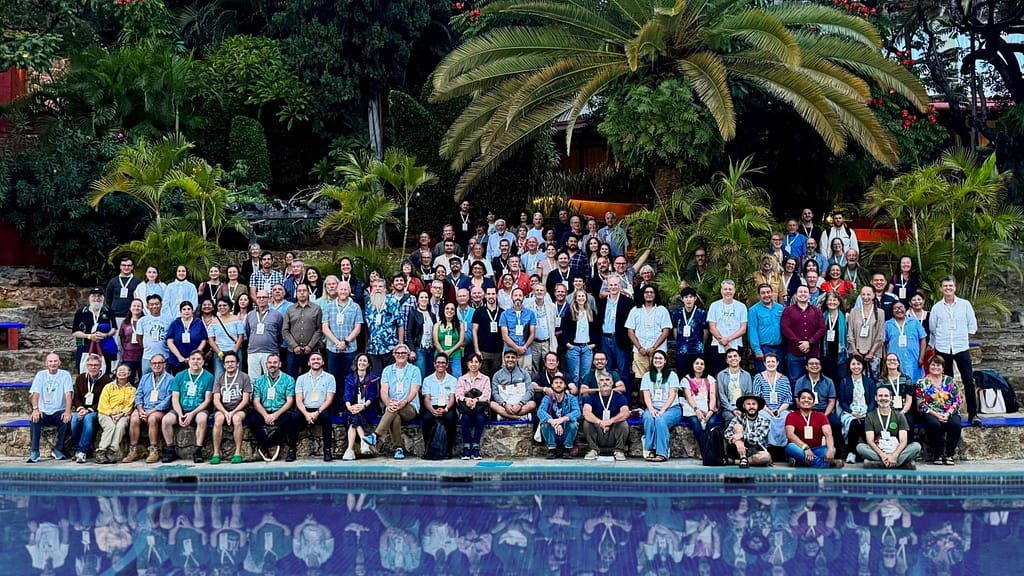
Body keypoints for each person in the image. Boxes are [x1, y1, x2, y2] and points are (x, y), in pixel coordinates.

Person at [929, 275, 980, 426]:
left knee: (968, 380)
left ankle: (973, 413)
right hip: (943, 347)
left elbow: (973, 326)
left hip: (961, 347)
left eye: (950, 286)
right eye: (945, 286)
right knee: (946, 382)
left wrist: (962, 335)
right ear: (941, 289)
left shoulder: (965, 305)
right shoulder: (936, 308)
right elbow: (933, 328)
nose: (948, 289)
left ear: (955, 288)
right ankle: (949, 411)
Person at [366, 344, 422, 459]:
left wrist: (403, 402)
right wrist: (388, 403)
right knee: (395, 417)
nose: (400, 355)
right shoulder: (387, 370)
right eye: (398, 353)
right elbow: (384, 391)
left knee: (394, 410)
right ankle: (398, 449)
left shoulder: (414, 370)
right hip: (392, 405)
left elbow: (414, 390)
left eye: (403, 353)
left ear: (407, 355)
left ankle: (375, 435)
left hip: (409, 406)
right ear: (394, 355)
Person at [159, 350, 213, 463]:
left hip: (199, 409)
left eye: (199, 359)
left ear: (203, 362)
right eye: (193, 359)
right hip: (180, 408)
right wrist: (180, 414)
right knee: (166, 420)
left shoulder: (209, 377)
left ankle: (198, 450)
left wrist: (192, 414)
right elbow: (175, 397)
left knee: (202, 419)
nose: (195, 361)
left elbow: (207, 400)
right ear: (188, 361)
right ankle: (170, 449)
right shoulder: (180, 375)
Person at [247, 353, 300, 462]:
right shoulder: (259, 381)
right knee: (253, 420)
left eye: (275, 362)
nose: (272, 365)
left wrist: (275, 415)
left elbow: (290, 401)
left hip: (280, 411)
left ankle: (267, 445)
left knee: (290, 419)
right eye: (270, 363)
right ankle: (270, 445)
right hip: (264, 411)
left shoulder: (289, 380)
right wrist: (266, 415)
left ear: (280, 364)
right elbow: (256, 401)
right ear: (266, 365)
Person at [123, 355, 174, 464]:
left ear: (165, 364)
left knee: (152, 419)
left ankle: (154, 450)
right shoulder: (145, 377)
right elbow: (138, 394)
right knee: (134, 417)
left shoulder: (170, 379)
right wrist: (140, 408)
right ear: (150, 365)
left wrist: (152, 411)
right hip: (144, 407)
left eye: (160, 363)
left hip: (159, 409)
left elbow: (168, 398)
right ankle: (133, 450)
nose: (157, 365)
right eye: (154, 363)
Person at [857, 385, 922, 469]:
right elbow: (870, 441)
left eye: (886, 396)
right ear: (876, 398)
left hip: (896, 450)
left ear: (891, 398)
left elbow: (903, 441)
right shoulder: (870, 416)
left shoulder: (899, 416)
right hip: (879, 450)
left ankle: (883, 463)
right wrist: (883, 455)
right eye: (880, 396)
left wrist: (894, 455)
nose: (883, 398)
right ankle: (898, 463)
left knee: (916, 446)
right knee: (860, 447)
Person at [27, 353, 74, 463]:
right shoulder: (40, 375)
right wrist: (35, 409)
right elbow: (35, 394)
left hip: (58, 411)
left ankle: (58, 449)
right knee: (34, 419)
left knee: (67, 419)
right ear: (46, 363)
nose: (53, 363)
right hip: (43, 411)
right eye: (50, 361)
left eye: (55, 361)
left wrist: (68, 411)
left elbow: (68, 395)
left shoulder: (65, 375)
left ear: (59, 363)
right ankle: (35, 451)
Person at [916, 354, 962, 465]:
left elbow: (957, 400)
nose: (935, 367)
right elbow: (920, 404)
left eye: (938, 365)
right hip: (931, 412)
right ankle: (938, 454)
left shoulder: (949, 381)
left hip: (949, 412)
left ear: (942, 367)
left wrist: (948, 414)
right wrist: (937, 415)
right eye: (933, 365)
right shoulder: (922, 382)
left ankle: (950, 455)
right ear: (929, 366)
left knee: (955, 424)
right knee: (933, 425)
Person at [322, 280, 363, 400]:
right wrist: (337, 342)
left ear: (350, 291)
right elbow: (325, 328)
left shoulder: (355, 307)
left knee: (349, 377)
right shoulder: (329, 307)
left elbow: (358, 328)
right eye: (341, 289)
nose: (343, 292)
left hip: (350, 349)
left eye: (346, 289)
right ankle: (334, 404)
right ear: (337, 291)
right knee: (333, 377)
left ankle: (348, 402)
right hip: (332, 348)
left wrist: (345, 342)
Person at [210, 350, 253, 464]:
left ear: (237, 363)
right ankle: (216, 453)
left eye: (232, 362)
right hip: (222, 408)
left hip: (240, 407)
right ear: (223, 365)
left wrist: (233, 412)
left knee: (237, 419)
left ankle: (238, 452)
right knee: (218, 419)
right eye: (227, 362)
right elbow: (216, 399)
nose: (230, 364)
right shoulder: (219, 378)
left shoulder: (244, 377)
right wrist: (225, 412)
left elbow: (245, 400)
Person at [793, 357, 841, 458]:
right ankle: (798, 452)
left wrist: (824, 416)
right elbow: (798, 400)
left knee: (836, 423)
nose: (814, 365)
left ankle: (836, 453)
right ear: (806, 367)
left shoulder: (828, 382)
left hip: (824, 411)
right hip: (805, 411)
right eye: (811, 364)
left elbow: (832, 401)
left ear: (821, 366)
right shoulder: (800, 381)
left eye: (817, 363)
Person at [294, 352, 337, 461]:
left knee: (326, 418)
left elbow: (329, 399)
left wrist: (317, 412)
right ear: (309, 363)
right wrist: (306, 414)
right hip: (305, 409)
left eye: (318, 359)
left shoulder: (330, 378)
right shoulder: (301, 378)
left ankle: (327, 450)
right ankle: (291, 450)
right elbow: (299, 400)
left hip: (322, 408)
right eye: (313, 359)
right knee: (294, 418)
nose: (316, 361)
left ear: (322, 362)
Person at [640, 350, 682, 462]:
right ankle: (650, 449)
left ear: (665, 361)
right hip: (653, 407)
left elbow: (672, 395)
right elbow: (647, 396)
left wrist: (663, 410)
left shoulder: (672, 375)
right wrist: (651, 409)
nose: (658, 360)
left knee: (660, 420)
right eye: (655, 358)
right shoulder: (647, 376)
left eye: (660, 358)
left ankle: (662, 452)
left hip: (671, 408)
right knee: (648, 417)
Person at [69, 354, 112, 463]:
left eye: (96, 365)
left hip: (97, 410)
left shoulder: (107, 380)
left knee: (88, 419)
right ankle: (80, 448)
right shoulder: (80, 378)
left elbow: (104, 400)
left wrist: (89, 410)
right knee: (75, 419)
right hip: (82, 408)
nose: (93, 367)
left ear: (100, 366)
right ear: (87, 366)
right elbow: (77, 397)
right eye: (91, 365)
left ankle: (82, 451)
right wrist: (80, 408)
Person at [625, 284, 672, 381]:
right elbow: (630, 331)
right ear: (642, 294)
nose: (649, 294)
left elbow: (666, 331)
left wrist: (654, 347)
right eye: (646, 292)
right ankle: (642, 397)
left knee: (658, 378)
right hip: (640, 351)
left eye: (652, 292)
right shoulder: (635, 310)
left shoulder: (662, 310)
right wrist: (639, 347)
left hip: (659, 351)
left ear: (655, 295)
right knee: (641, 379)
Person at [785, 389, 842, 468]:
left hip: (816, 450)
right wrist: (805, 448)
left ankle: (801, 462)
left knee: (832, 450)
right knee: (790, 447)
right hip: (799, 448)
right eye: (803, 398)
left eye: (810, 398)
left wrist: (830, 449)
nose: (806, 400)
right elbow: (790, 435)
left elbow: (828, 434)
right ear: (798, 401)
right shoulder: (791, 416)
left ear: (813, 403)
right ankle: (828, 464)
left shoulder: (821, 416)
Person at [781, 285, 826, 383]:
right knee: (794, 380)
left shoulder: (817, 311)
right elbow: (785, 328)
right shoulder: (788, 311)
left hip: (812, 353)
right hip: (794, 353)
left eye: (805, 292)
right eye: (800, 292)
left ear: (809, 295)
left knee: (813, 380)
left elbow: (822, 329)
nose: (803, 294)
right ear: (796, 295)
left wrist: (809, 342)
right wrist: (799, 343)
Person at [837, 355, 877, 463]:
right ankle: (851, 453)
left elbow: (873, 401)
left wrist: (867, 413)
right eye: (853, 364)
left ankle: (870, 451)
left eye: (858, 364)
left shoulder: (869, 382)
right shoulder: (844, 381)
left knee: (865, 423)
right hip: (850, 411)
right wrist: (852, 412)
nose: (856, 367)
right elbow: (842, 401)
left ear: (862, 366)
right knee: (854, 423)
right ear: (849, 366)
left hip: (866, 411)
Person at [581, 373, 630, 460]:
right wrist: (600, 422)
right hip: (599, 431)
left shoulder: (620, 397)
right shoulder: (591, 397)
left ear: (612, 383)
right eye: (602, 380)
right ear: (598, 384)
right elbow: (586, 413)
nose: (605, 382)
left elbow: (625, 412)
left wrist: (611, 421)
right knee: (587, 423)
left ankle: (619, 450)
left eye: (607, 380)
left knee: (623, 423)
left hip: (612, 432)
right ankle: (593, 450)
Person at [94, 364, 136, 463]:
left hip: (123, 415)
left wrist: (120, 415)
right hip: (106, 413)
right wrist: (112, 414)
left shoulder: (132, 390)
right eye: (120, 370)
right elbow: (103, 403)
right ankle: (101, 451)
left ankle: (111, 451)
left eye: (125, 370)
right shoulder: (108, 387)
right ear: (116, 373)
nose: (122, 372)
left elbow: (129, 405)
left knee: (121, 425)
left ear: (129, 373)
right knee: (110, 426)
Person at [598, 276, 634, 390]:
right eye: (611, 285)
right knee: (606, 371)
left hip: (620, 339)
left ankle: (625, 402)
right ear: (607, 286)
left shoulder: (627, 302)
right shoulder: (602, 302)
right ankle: (609, 399)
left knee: (623, 371)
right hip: (605, 338)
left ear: (620, 286)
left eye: (615, 285)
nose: (613, 287)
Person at [341, 353, 379, 461]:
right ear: (356, 363)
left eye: (364, 361)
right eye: (360, 360)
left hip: (368, 409)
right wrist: (349, 406)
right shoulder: (349, 378)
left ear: (368, 364)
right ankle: (364, 441)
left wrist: (363, 406)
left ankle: (349, 450)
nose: (362, 363)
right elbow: (347, 395)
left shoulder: (373, 378)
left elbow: (373, 396)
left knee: (354, 417)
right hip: (351, 408)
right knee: (353, 414)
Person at [421, 353, 459, 459]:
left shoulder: (453, 380)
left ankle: (448, 450)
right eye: (438, 362)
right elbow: (426, 399)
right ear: (434, 364)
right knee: (427, 419)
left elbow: (452, 398)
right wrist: (433, 411)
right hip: (432, 406)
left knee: (450, 418)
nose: (440, 365)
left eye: (443, 363)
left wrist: (445, 409)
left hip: (447, 406)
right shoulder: (427, 380)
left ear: (447, 365)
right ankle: (427, 448)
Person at [71, 287, 117, 372]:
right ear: (89, 298)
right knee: (83, 371)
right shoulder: (81, 312)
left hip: (104, 345)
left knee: (104, 371)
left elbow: (114, 328)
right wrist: (89, 336)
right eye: (93, 296)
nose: (96, 299)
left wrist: (105, 335)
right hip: (85, 346)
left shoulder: (109, 311)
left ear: (103, 298)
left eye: (99, 296)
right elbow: (75, 332)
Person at [562, 289, 600, 391]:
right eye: (579, 296)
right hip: (573, 348)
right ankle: (574, 400)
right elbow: (564, 329)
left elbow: (596, 330)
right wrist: (568, 344)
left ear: (586, 298)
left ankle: (583, 400)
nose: (581, 298)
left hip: (587, 347)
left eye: (583, 296)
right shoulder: (570, 312)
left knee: (585, 376)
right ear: (575, 298)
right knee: (574, 376)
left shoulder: (591, 312)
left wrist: (593, 344)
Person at [707, 280, 748, 375]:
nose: (727, 291)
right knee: (718, 373)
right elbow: (712, 327)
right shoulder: (714, 306)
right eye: (725, 289)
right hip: (718, 345)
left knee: (735, 373)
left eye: (730, 289)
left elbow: (743, 329)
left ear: (734, 291)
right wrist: (724, 343)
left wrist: (728, 340)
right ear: (721, 291)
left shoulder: (741, 307)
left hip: (736, 345)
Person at [681, 357, 722, 451]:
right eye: (697, 363)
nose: (699, 366)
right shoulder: (686, 379)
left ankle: (707, 449)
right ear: (692, 365)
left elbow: (712, 396)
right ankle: (704, 450)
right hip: (692, 408)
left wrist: (711, 411)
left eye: (702, 364)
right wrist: (697, 410)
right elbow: (688, 397)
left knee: (711, 422)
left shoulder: (710, 379)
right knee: (695, 423)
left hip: (708, 408)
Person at [364, 278, 403, 375]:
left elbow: (400, 324)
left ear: (385, 289)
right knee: (375, 377)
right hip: (374, 348)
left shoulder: (393, 302)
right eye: (375, 286)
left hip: (390, 347)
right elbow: (366, 328)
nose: (377, 289)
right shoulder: (369, 304)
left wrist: (400, 344)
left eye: (380, 286)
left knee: (390, 376)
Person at [282, 284, 323, 377]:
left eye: (304, 290)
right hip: (293, 351)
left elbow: (319, 329)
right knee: (291, 376)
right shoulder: (290, 309)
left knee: (311, 376)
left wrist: (310, 346)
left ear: (308, 293)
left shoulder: (316, 309)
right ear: (296, 294)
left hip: (311, 350)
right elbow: (285, 330)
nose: (302, 293)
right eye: (299, 291)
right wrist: (294, 346)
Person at [456, 353, 490, 460]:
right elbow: (458, 394)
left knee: (480, 418)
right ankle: (466, 446)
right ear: (467, 364)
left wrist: (476, 400)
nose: (473, 364)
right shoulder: (462, 379)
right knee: (465, 418)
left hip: (480, 409)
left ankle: (475, 446)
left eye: (476, 362)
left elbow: (487, 394)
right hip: (466, 409)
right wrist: (466, 399)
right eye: (471, 362)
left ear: (480, 365)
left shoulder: (485, 379)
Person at [244, 289, 285, 379]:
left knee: (271, 377)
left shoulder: (277, 315)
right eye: (259, 297)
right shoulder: (250, 315)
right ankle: (256, 394)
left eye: (264, 297)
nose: (261, 299)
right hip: (253, 351)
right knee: (253, 379)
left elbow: (281, 333)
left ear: (269, 299)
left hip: (270, 351)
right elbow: (247, 332)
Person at [537, 374, 580, 459]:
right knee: (545, 423)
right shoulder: (547, 398)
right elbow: (540, 411)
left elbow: (577, 412)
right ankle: (552, 449)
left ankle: (567, 449)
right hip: (553, 432)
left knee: (573, 423)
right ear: (552, 385)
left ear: (565, 385)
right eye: (556, 382)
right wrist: (553, 421)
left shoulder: (571, 398)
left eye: (561, 382)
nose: (558, 384)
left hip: (566, 432)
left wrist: (562, 419)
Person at [885, 301, 928, 383]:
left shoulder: (914, 322)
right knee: (897, 383)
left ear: (905, 308)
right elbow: (883, 343)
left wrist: (921, 357)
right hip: (894, 361)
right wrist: (885, 359)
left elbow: (923, 339)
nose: (899, 310)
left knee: (914, 383)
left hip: (913, 359)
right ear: (892, 311)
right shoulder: (888, 325)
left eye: (901, 307)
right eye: (895, 308)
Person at [754, 353, 791, 448]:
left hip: (781, 409)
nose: (771, 364)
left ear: (777, 363)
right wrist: (769, 411)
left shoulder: (784, 379)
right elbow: (757, 398)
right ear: (764, 364)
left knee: (785, 417)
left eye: (773, 361)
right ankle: (769, 447)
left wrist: (779, 411)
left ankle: (782, 448)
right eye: (768, 361)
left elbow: (788, 399)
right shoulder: (758, 378)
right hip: (764, 409)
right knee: (766, 418)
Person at [847, 285, 885, 376]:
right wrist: (855, 351)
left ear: (873, 295)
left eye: (868, 294)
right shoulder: (854, 312)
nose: (865, 297)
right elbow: (850, 332)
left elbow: (880, 334)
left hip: (874, 352)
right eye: (863, 294)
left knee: (874, 379)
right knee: (858, 377)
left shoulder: (880, 312)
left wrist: (871, 352)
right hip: (857, 351)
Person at [725, 395, 772, 467]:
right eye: (748, 404)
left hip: (754, 450)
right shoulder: (738, 418)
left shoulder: (765, 421)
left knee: (766, 456)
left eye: (754, 404)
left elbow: (758, 437)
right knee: (738, 426)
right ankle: (742, 456)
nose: (751, 406)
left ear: (758, 406)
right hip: (737, 449)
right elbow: (727, 433)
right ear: (744, 406)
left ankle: (737, 461)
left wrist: (742, 436)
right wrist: (737, 441)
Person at [747, 283, 784, 373]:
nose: (766, 295)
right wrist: (757, 350)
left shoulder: (780, 308)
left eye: (768, 292)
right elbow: (752, 331)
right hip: (764, 349)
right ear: (759, 295)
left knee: (779, 376)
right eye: (763, 293)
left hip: (779, 348)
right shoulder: (753, 310)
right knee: (764, 376)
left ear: (772, 293)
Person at [165, 301, 208, 375]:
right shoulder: (175, 323)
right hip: (177, 360)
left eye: (189, 309)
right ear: (180, 312)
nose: (186, 311)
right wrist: (179, 357)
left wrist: (194, 356)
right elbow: (169, 341)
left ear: (192, 311)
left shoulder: (199, 323)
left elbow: (204, 340)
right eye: (184, 309)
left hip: (195, 361)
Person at [499, 288, 537, 372]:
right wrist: (516, 348)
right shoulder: (504, 314)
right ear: (512, 297)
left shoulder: (530, 314)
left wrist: (524, 347)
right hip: (509, 352)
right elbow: (505, 336)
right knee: (508, 377)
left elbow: (532, 334)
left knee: (526, 376)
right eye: (515, 295)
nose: (518, 297)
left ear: (523, 298)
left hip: (525, 351)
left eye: (520, 295)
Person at [524, 283, 557, 374]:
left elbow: (553, 323)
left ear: (545, 292)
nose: (539, 292)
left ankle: (546, 385)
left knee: (547, 366)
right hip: (534, 343)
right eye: (537, 290)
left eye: (541, 290)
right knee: (533, 367)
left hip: (546, 342)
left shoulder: (552, 307)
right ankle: (535, 386)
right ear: (534, 292)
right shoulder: (528, 307)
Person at [207, 297, 243, 380]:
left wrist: (234, 351)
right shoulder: (213, 321)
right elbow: (211, 340)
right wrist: (219, 353)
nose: (222, 307)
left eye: (224, 305)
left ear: (229, 306)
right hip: (220, 353)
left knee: (237, 376)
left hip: (235, 351)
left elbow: (240, 336)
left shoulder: (236, 319)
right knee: (219, 376)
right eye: (219, 306)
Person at [472, 286, 505, 376]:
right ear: (485, 295)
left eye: (493, 294)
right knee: (483, 377)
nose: (491, 296)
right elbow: (474, 331)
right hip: (483, 351)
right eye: (489, 294)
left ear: (497, 295)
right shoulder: (478, 311)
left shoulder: (502, 312)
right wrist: (477, 350)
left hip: (498, 351)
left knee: (495, 377)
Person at [716, 348, 754, 422]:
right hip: (727, 408)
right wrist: (732, 409)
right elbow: (722, 395)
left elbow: (749, 394)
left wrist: (743, 409)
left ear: (739, 358)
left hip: (744, 407)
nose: (733, 358)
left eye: (735, 356)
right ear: (727, 361)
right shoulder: (721, 375)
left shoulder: (746, 375)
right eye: (730, 357)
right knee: (731, 418)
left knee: (747, 418)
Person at [820, 291, 849, 384]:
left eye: (834, 300)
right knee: (828, 378)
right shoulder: (822, 315)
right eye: (829, 300)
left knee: (841, 378)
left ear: (839, 302)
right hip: (826, 352)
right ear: (826, 302)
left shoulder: (845, 316)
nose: (832, 302)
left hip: (840, 353)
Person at [880, 352, 916, 425]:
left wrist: (902, 412)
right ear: (886, 363)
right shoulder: (880, 381)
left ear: (898, 363)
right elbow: (880, 399)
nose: (892, 361)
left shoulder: (907, 379)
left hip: (904, 410)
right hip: (886, 410)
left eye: (894, 360)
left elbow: (909, 399)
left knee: (909, 421)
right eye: (889, 360)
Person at [106, 257, 141, 329]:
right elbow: (108, 298)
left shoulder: (138, 282)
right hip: (116, 316)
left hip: (131, 316)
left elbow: (139, 298)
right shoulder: (113, 281)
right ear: (120, 267)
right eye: (124, 265)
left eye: (129, 265)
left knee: (130, 339)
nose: (126, 267)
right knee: (116, 339)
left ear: (132, 267)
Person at [434, 302, 466, 378]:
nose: (449, 311)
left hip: (455, 354)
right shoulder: (437, 325)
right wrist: (443, 353)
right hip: (440, 354)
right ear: (444, 310)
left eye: (452, 309)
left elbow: (461, 341)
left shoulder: (460, 324)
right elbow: (436, 342)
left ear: (455, 312)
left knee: (457, 375)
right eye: (447, 308)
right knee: (439, 376)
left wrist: (450, 351)